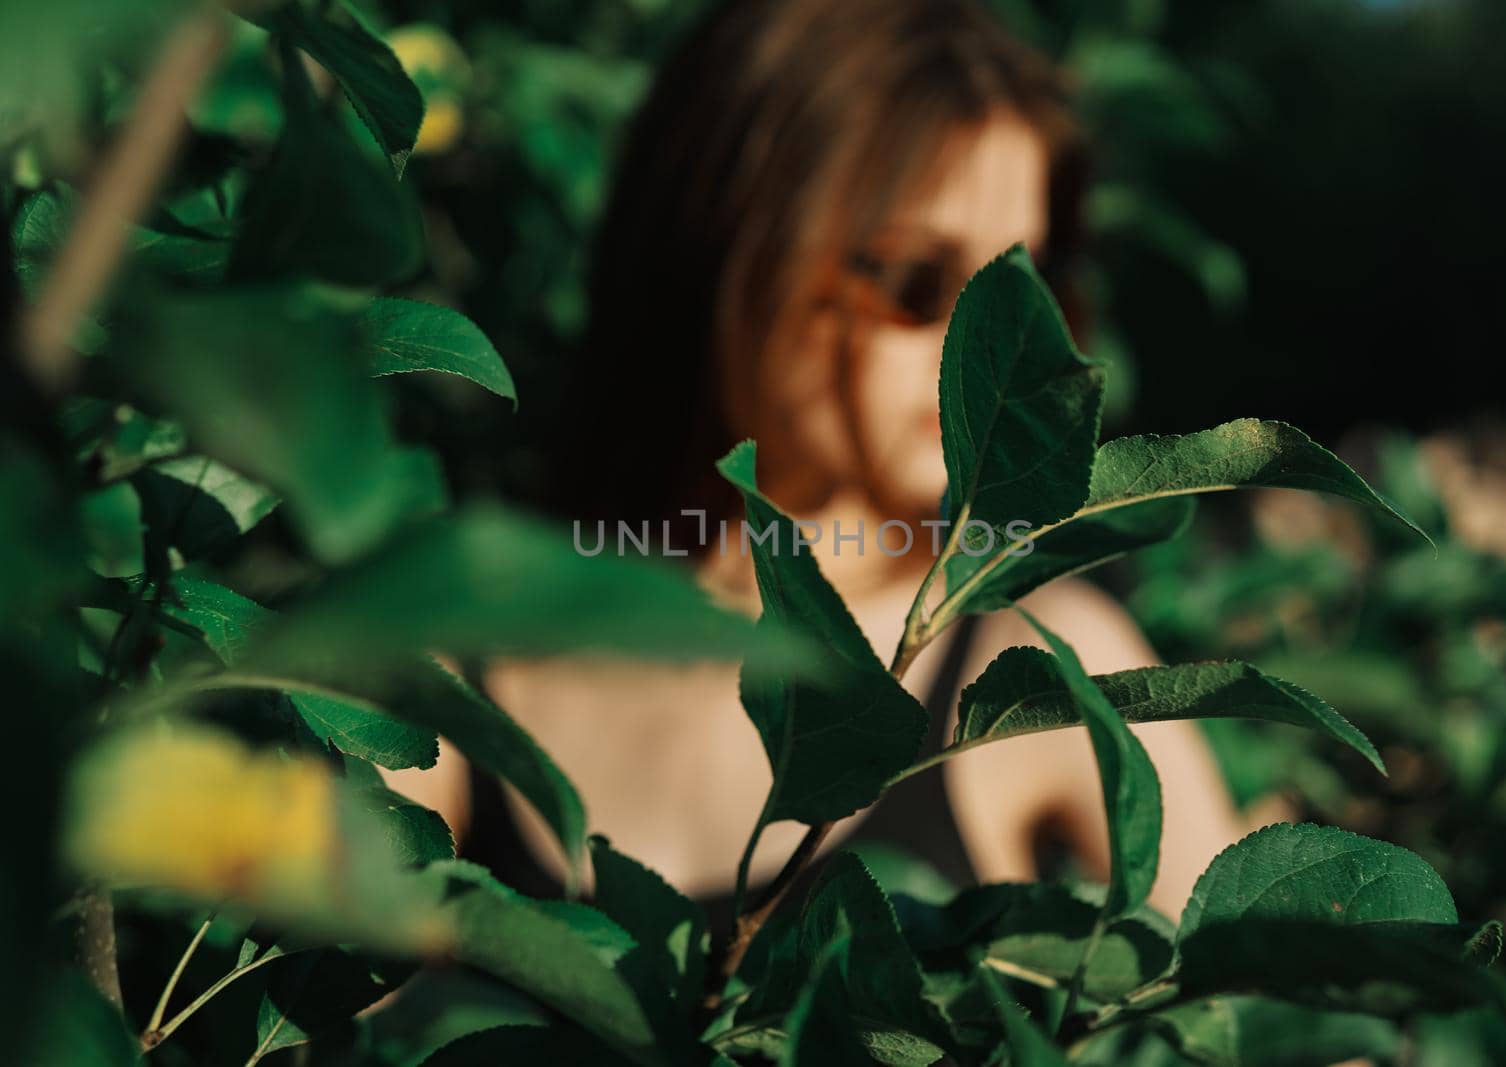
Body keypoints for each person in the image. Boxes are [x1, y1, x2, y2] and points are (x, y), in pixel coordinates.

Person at [390, 0, 1257, 920]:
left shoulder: (1042, 666)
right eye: (911, 278)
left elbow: (1292, 1022)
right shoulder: (456, 654)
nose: (999, 350)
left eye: (1025, 292)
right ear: (725, 237)